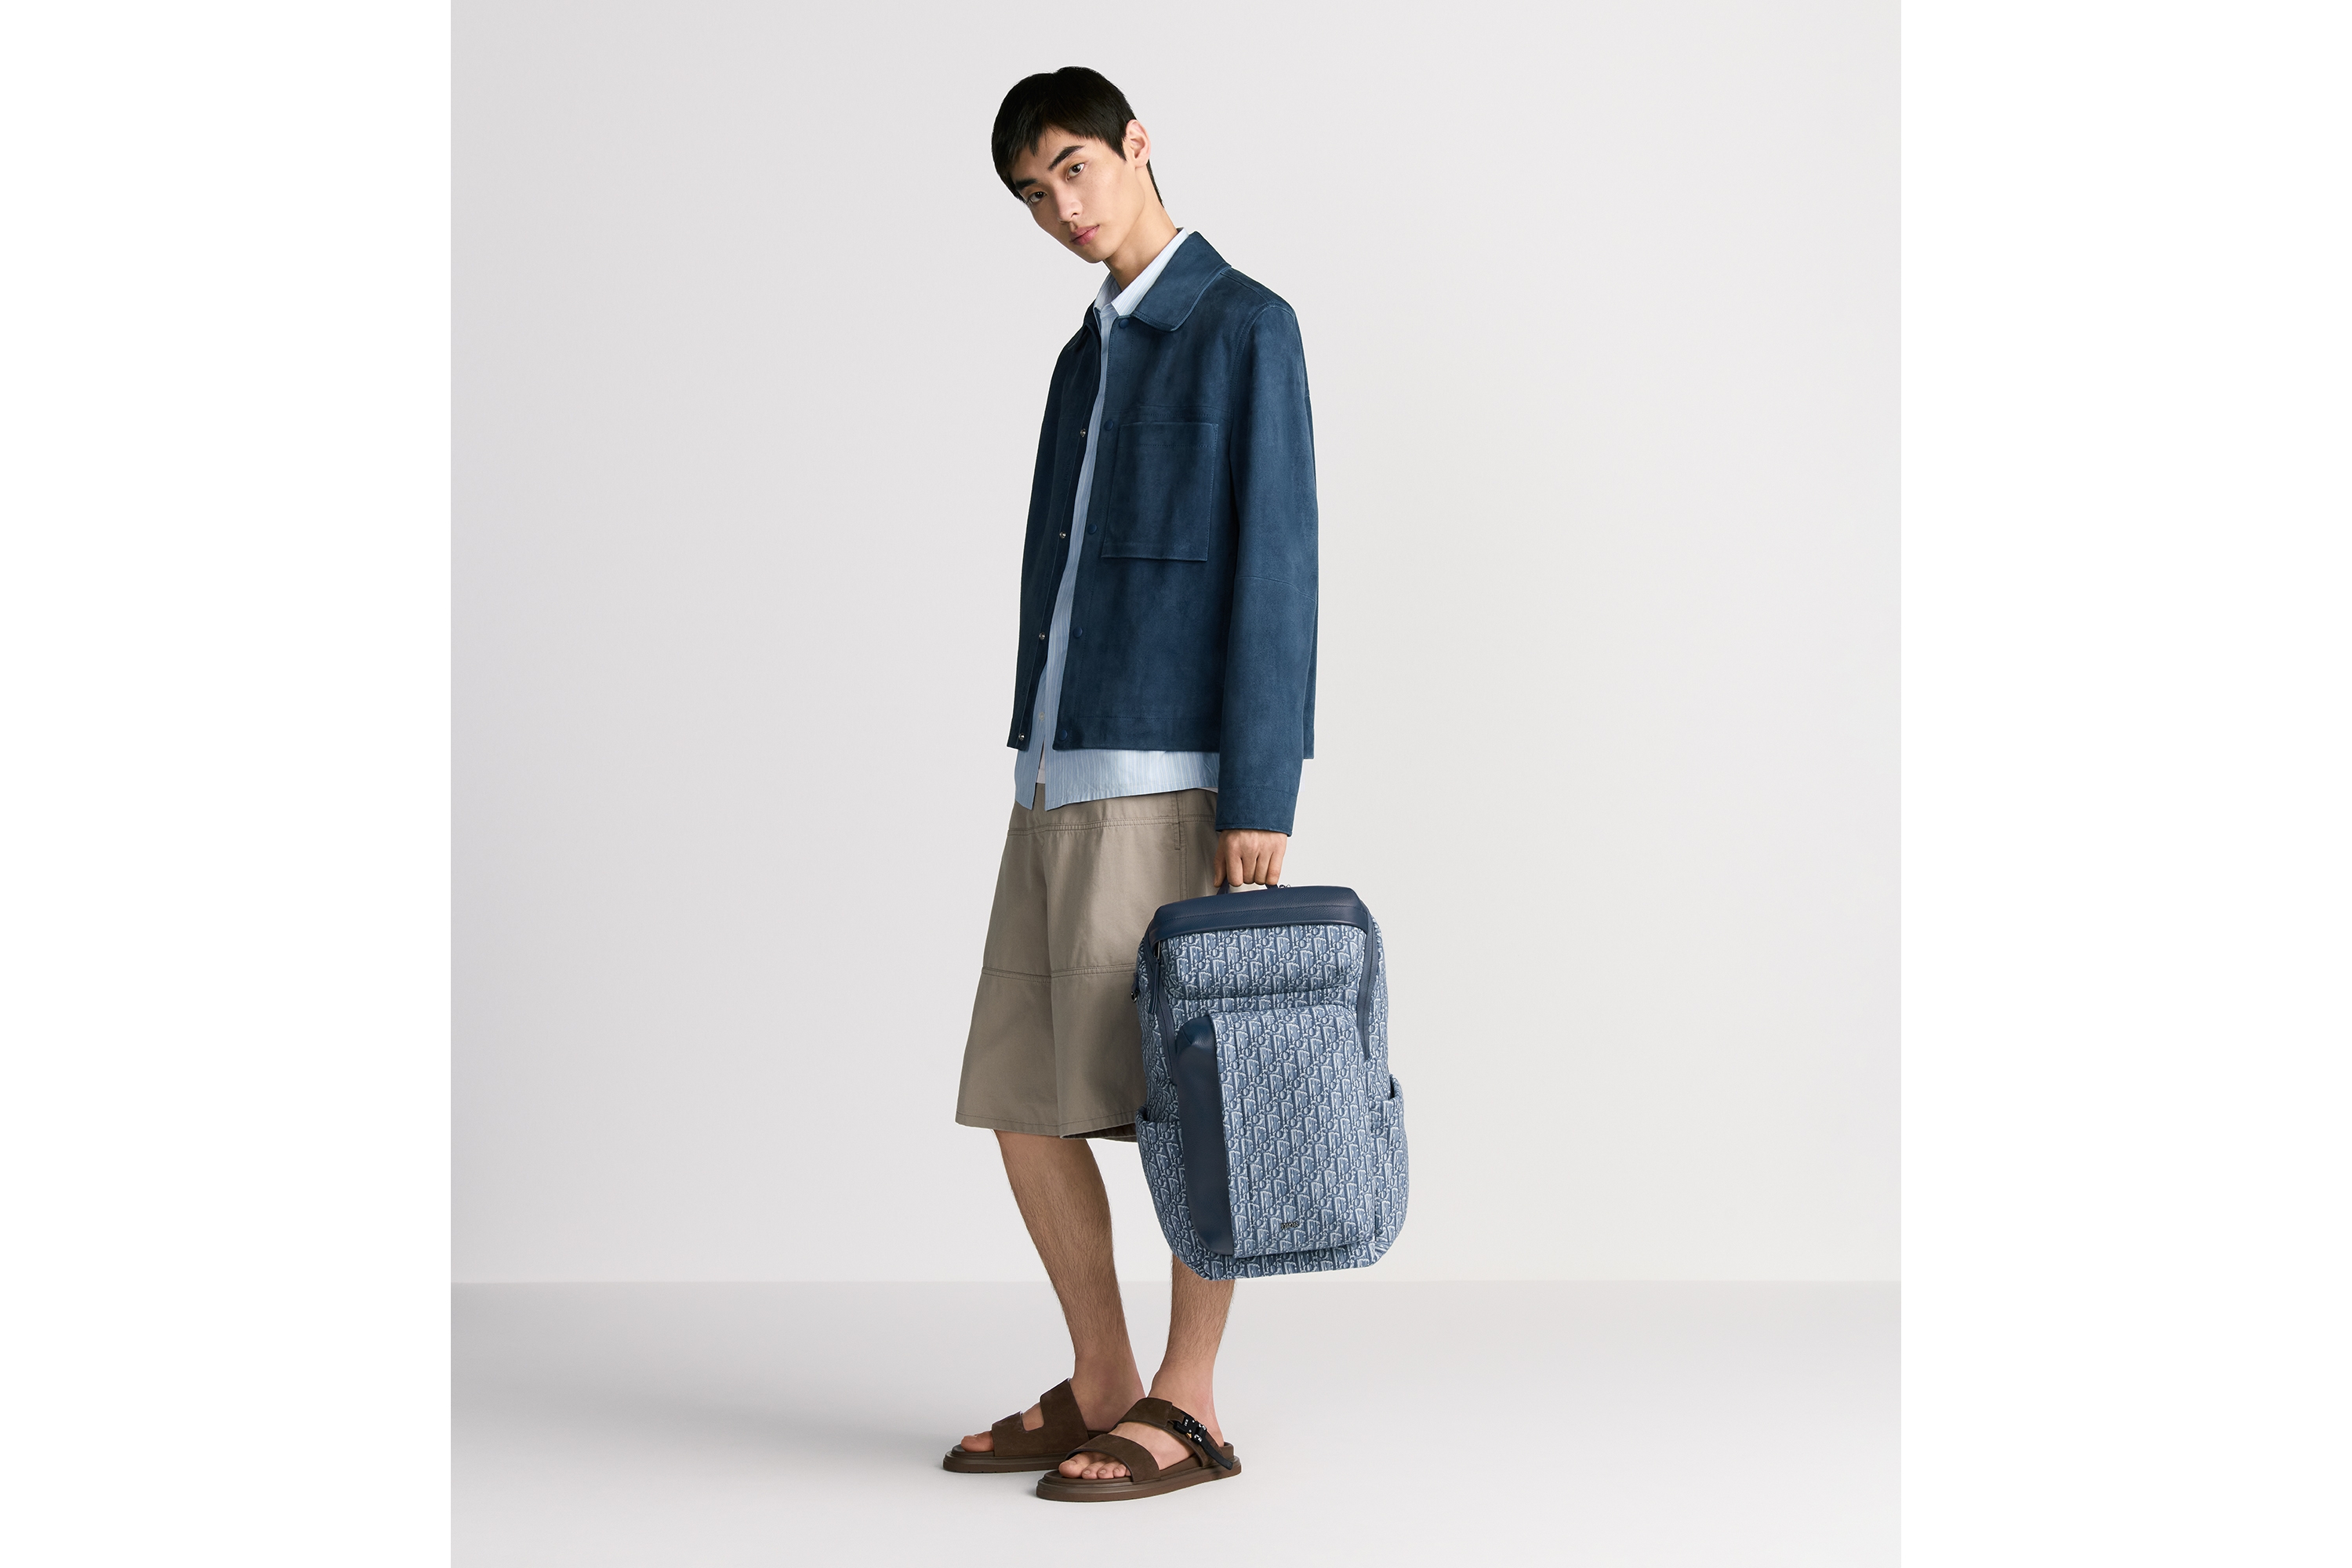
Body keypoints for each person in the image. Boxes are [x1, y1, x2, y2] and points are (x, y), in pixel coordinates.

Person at [940, 66, 1319, 1502]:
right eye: (1032, 195)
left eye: (1074, 170)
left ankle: (1189, 1401)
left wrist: (1257, 792)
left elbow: (1280, 567)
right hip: (1054, 773)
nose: (1060, 209)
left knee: (1191, 1096)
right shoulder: (1081, 357)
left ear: (1136, 146)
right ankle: (1104, 1382)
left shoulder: (1244, 325)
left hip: (1174, 782)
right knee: (1021, 1093)